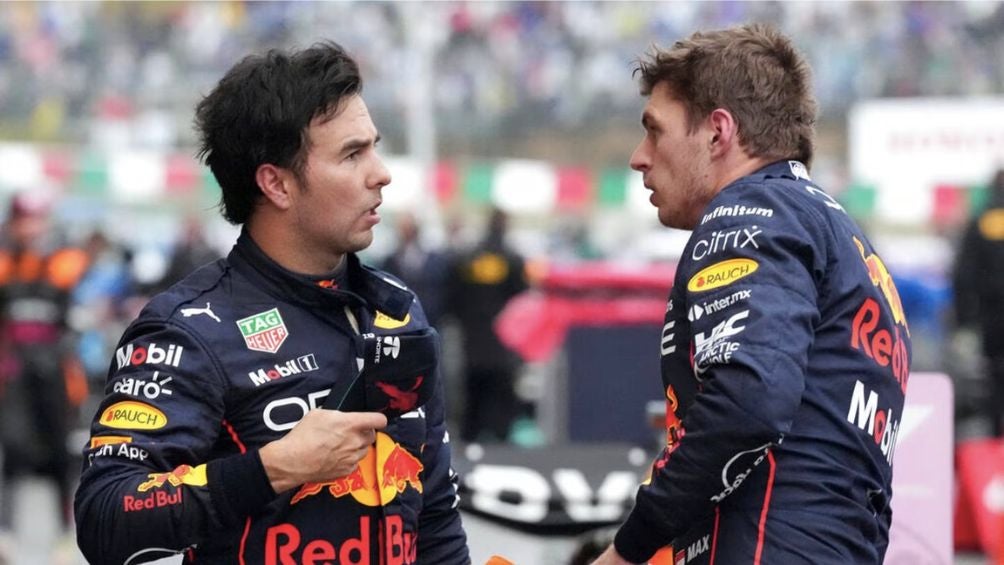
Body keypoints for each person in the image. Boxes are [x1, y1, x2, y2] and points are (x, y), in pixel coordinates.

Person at [74, 42, 469, 564]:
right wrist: (273, 469)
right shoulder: (191, 330)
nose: (381, 173)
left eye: (374, 148)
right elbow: (103, 516)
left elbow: (435, 518)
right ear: (276, 184)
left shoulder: (397, 311)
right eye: (352, 155)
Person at [592, 24, 911, 564]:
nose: (639, 157)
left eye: (655, 131)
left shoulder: (752, 212)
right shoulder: (848, 242)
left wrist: (626, 551)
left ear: (718, 132)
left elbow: (748, 404)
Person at [0, 192, 89, 537]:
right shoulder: (6, 262)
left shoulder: (62, 260)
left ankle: (65, 533)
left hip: (55, 368)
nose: (30, 228)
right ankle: (6, 531)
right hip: (14, 370)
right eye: (23, 221)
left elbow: (74, 285)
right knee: (12, 448)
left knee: (60, 452)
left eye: (36, 220)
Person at [446, 208, 529, 443]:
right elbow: (522, 300)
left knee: (473, 394)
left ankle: (468, 442)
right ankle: (501, 441)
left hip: (472, 339)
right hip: (504, 341)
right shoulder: (513, 260)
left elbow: (452, 299)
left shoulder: (467, 258)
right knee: (502, 394)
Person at [952, 169, 1004, 436]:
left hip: (992, 315)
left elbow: (964, 273)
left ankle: (997, 435)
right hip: (993, 312)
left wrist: (965, 320)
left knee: (995, 375)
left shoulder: (983, 219)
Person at [380, 211, 450, 328]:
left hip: (431, 315)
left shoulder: (433, 257)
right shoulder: (391, 259)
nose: (407, 232)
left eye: (410, 227)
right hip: (402, 317)